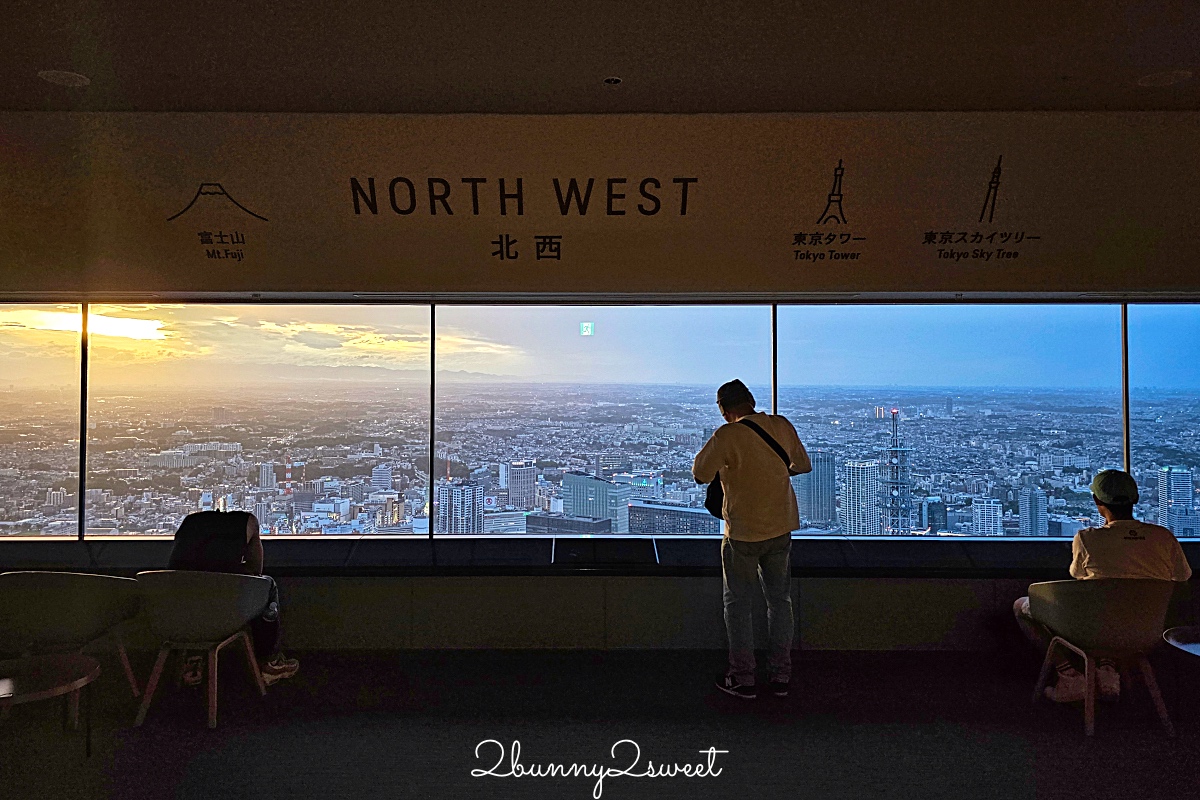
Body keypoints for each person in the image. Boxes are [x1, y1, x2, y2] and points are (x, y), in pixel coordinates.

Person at [1014, 469, 1192, 702]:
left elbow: (1077, 574)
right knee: (1119, 609)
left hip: (1092, 632)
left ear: (1097, 501)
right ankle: (1107, 670)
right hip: (1146, 633)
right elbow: (1182, 577)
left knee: (1022, 606)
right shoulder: (1163, 537)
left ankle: (1069, 674)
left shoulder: (1088, 538)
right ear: (1136, 499)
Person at [693, 379, 812, 699]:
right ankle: (781, 675)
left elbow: (701, 473)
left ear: (723, 409)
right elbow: (802, 464)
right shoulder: (781, 426)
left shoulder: (726, 435)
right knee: (780, 601)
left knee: (738, 605)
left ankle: (743, 676)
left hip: (743, 533)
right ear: (750, 400)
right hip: (781, 526)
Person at [168, 510, 299, 685]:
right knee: (267, 585)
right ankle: (269, 662)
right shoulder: (248, 522)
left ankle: (192, 661)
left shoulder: (188, 528)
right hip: (227, 618)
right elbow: (256, 571)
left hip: (178, 623)